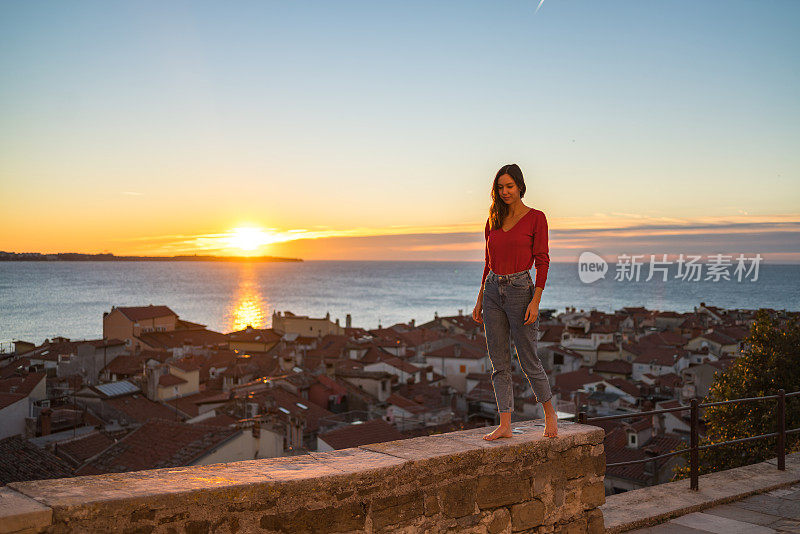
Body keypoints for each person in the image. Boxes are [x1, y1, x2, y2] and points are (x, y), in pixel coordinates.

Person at [472, 163, 558, 440]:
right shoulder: (493, 220)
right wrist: (479, 299)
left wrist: (536, 300)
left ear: (520, 186)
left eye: (509, 186)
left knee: (528, 357)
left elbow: (542, 261)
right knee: (499, 361)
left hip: (522, 290)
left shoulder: (536, 218)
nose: (505, 191)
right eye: (500, 187)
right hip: (492, 291)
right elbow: (488, 263)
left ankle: (550, 414)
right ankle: (505, 424)